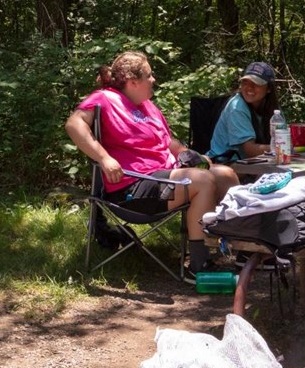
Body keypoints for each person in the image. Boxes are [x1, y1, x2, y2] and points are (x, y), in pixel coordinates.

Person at [65, 50, 238, 281]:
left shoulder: (148, 107)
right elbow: (74, 125)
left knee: (226, 174)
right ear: (133, 82)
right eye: (149, 75)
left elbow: (168, 142)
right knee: (203, 180)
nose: (154, 79)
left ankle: (239, 249)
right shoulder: (105, 99)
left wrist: (191, 155)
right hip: (132, 188)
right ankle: (200, 265)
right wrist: (104, 158)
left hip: (163, 178)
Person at [206, 61, 278, 162]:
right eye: (245, 82)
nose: (249, 87)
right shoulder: (236, 107)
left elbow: (281, 136)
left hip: (256, 162)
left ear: (269, 88)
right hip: (225, 162)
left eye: (256, 83)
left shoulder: (274, 112)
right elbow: (250, 151)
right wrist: (283, 146)